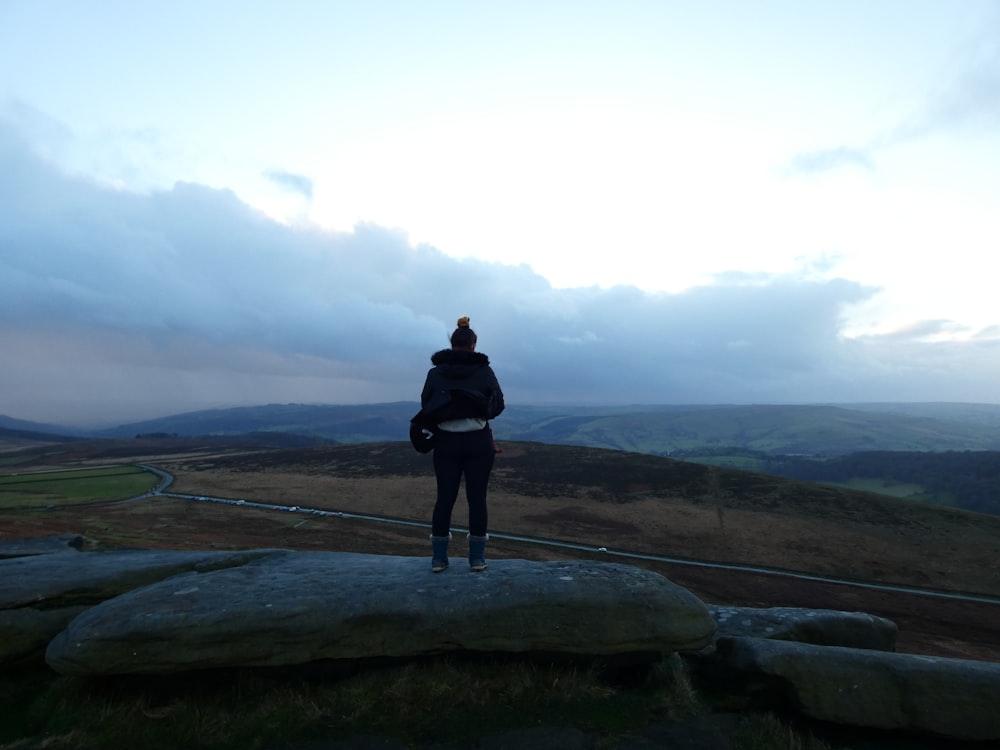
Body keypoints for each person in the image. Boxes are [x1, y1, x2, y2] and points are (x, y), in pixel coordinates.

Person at [420, 316, 504, 572]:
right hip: (478, 442)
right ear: (474, 345)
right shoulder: (484, 371)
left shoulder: (435, 373)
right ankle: (476, 559)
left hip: (446, 442)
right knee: (477, 498)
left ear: (452, 343)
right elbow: (497, 405)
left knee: (444, 498)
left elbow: (427, 405)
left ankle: (438, 559)